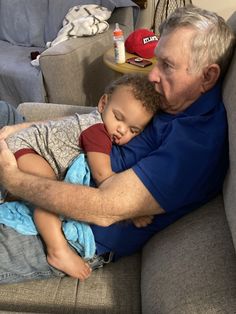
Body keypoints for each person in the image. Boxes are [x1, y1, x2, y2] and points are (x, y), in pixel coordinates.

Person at [0, 5, 235, 284]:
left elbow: (104, 208)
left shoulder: (196, 143)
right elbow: (95, 121)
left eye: (167, 65)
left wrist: (13, 179)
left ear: (207, 76)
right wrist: (22, 129)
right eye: (156, 61)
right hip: (62, 159)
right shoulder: (172, 98)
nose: (152, 76)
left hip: (73, 226)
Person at [2, 73, 159, 280]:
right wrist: (132, 212)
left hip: (29, 148)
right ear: (103, 104)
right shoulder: (98, 132)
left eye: (133, 130)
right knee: (48, 194)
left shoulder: (97, 122)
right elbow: (104, 176)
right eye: (119, 118)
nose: (121, 130)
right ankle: (58, 250)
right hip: (28, 149)